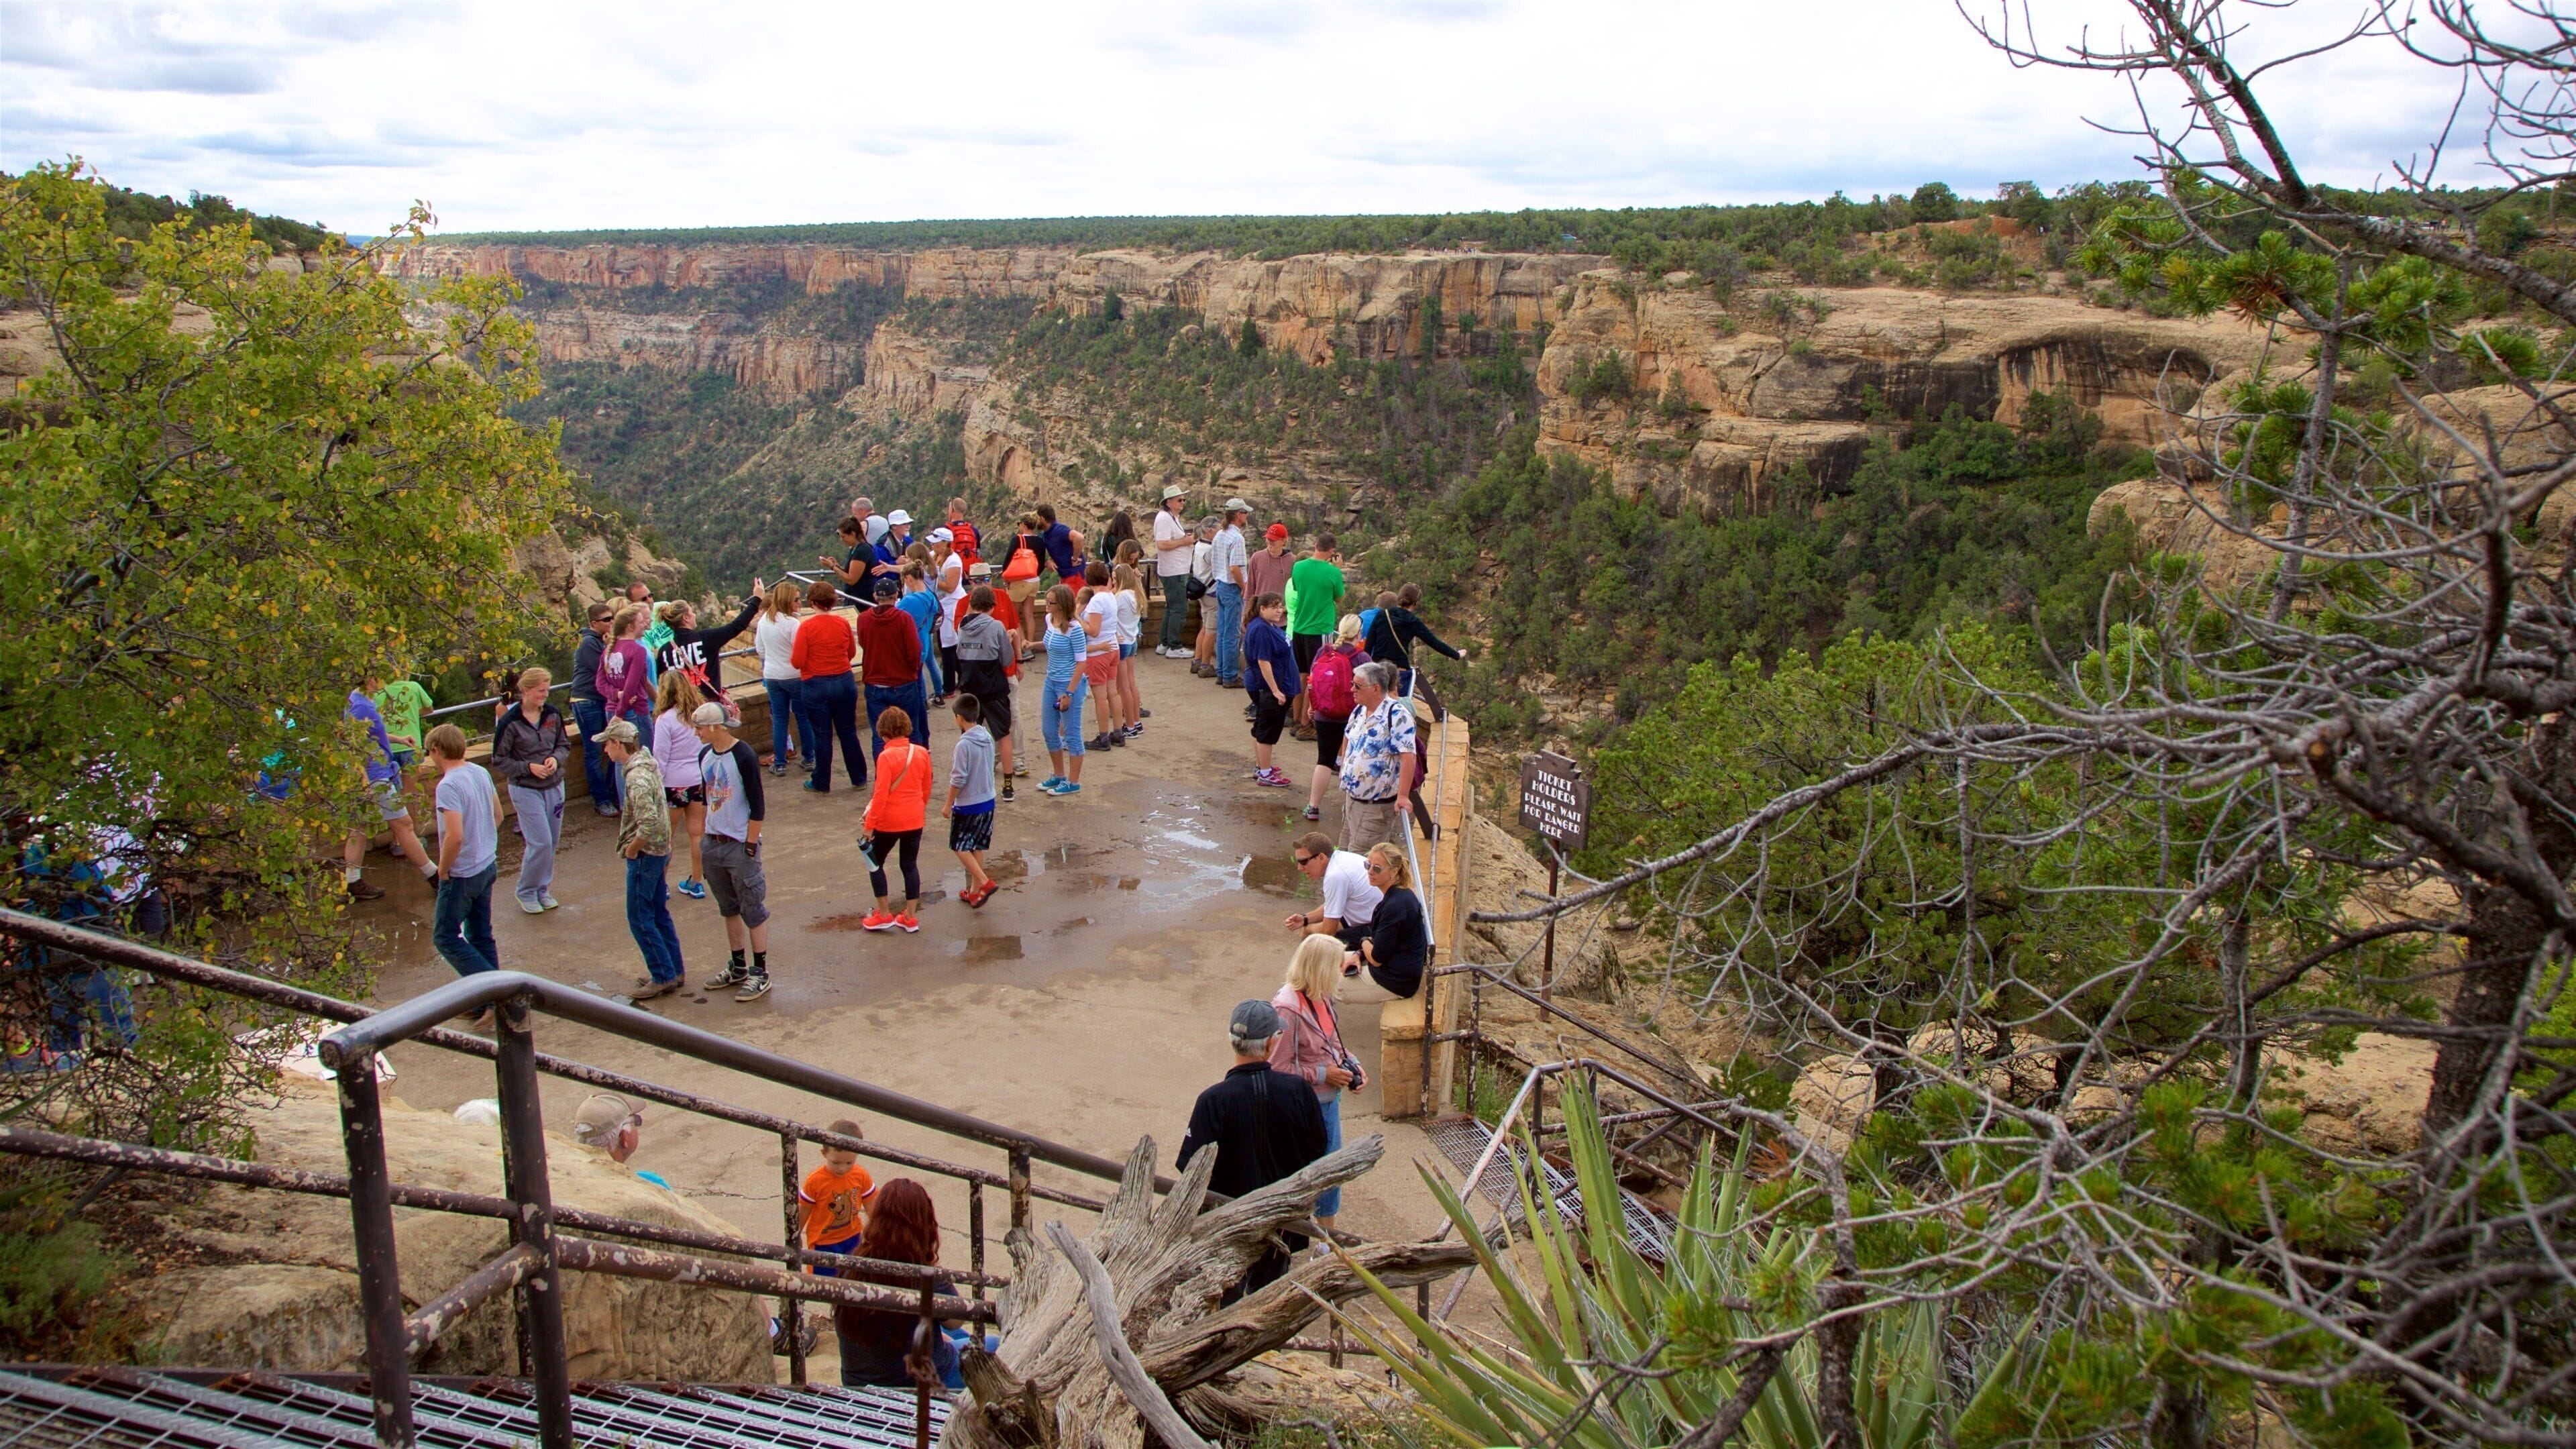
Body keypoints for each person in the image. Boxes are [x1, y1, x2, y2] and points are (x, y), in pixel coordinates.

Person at [1177, 1000, 1330, 1298]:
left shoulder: (1212, 1101)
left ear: (1232, 1041)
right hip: (1283, 1220)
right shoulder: (1297, 1090)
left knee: (1226, 1299)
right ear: (1273, 1042)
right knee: (1268, 1299)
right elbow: (1317, 1149)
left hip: (1228, 1223)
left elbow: (1190, 1168)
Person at [836, 1180, 973, 1390]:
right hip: (916, 1383)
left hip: (858, 1383)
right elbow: (956, 1321)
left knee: (959, 1338)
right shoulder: (924, 1273)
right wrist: (935, 1266)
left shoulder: (853, 1264)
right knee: (993, 1346)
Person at [1270, 934, 1361, 1241]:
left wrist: (1352, 1064)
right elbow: (1277, 1068)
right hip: (1305, 1106)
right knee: (1313, 1173)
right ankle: (1317, 1239)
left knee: (1331, 1171)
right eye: (1337, 964)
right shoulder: (1287, 1009)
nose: (1342, 970)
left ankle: (1326, 1239)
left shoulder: (1322, 996)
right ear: (1322, 968)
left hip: (1327, 1101)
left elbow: (1332, 1042)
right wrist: (1325, 1074)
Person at [692, 702, 772, 1001]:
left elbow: (757, 803)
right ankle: (738, 965)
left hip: (739, 844)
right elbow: (705, 797)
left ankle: (760, 971)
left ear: (715, 727)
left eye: (699, 726)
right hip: (714, 843)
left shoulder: (743, 756)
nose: (696, 732)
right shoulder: (704, 756)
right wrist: (704, 837)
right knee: (729, 908)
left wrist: (750, 845)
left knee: (753, 909)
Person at [601, 718, 686, 1000]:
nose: (605, 751)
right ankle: (673, 969)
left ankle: (662, 975)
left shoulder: (635, 777)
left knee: (640, 916)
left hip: (647, 854)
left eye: (607, 745)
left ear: (617, 744)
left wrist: (633, 849)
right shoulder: (647, 764)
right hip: (662, 850)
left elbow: (647, 821)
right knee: (659, 912)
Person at [426, 723, 502, 987]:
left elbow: (454, 836)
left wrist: (444, 869)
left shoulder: (448, 786)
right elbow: (498, 815)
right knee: (481, 934)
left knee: (445, 938)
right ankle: (496, 998)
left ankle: (492, 992)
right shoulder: (480, 772)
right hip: (487, 863)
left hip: (464, 873)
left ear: (436, 750)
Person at [341, 686, 436, 900]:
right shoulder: (361, 706)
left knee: (359, 828)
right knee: (404, 825)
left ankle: (353, 881)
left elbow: (372, 734)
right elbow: (353, 745)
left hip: (371, 775)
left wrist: (398, 740)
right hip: (375, 777)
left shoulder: (359, 700)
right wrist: (365, 781)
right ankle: (435, 876)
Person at [491, 667, 572, 915]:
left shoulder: (552, 714)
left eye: (547, 689)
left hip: (554, 784)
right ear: (525, 691)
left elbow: (563, 745)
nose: (546, 695)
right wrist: (528, 767)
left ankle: (542, 889)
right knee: (540, 842)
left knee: (553, 841)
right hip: (526, 788)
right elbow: (499, 759)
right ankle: (526, 890)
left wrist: (556, 760)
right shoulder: (510, 722)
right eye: (541, 691)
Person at [859, 706, 932, 932]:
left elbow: (880, 794)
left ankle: (883, 914)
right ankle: (910, 916)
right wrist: (918, 809)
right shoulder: (921, 752)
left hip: (889, 821)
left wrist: (870, 826)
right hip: (914, 818)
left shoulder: (886, 757)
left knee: (875, 863)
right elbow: (926, 787)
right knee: (909, 865)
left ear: (884, 733)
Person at [792, 578, 868, 792]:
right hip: (844, 680)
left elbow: (797, 661)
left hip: (816, 684)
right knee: (848, 732)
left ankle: (821, 781)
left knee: (822, 735)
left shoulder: (806, 627)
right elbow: (851, 653)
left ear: (813, 602)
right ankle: (859, 777)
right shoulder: (842, 623)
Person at [1339, 662, 1419, 855]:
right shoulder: (1360, 710)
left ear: (1375, 688)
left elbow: (1409, 757)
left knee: (1360, 861)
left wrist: (1402, 796)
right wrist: (1344, 767)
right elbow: (1348, 736)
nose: (1352, 690)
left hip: (1374, 808)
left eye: (1357, 686)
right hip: (1351, 801)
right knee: (1343, 854)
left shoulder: (1398, 715)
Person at [651, 586, 764, 717]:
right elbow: (736, 626)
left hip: (681, 712)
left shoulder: (664, 651)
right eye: (692, 612)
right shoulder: (705, 638)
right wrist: (757, 599)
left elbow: (662, 683)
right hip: (709, 709)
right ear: (686, 618)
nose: (694, 615)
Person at [954, 582, 1020, 802]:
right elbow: (1007, 659)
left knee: (969, 736)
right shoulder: (996, 626)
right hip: (993, 688)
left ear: (972, 605)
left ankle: (968, 782)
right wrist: (1008, 641)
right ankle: (1008, 786)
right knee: (1003, 734)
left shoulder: (963, 625)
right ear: (992, 606)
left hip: (969, 687)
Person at [1341, 843, 1427, 1003]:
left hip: (1393, 981)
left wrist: (1363, 941)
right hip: (1395, 968)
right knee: (1321, 957)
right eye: (1368, 865)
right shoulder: (1400, 896)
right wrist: (1359, 953)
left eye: (1377, 868)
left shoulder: (1395, 906)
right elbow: (1383, 942)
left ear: (1394, 872)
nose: (1370, 872)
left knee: (1319, 984)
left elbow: (1376, 958)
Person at [651, 669, 710, 900]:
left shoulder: (665, 720)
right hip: (698, 780)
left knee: (666, 837)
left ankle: (661, 883)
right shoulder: (698, 716)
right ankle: (697, 881)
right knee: (697, 834)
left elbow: (660, 756)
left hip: (673, 783)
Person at [1303, 616, 1369, 824]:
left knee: (1324, 760)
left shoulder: (1323, 652)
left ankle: (1313, 807)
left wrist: (1312, 706)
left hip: (1324, 713)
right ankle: (1348, 811)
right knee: (1349, 761)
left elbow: (1312, 682)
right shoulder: (1363, 658)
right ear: (1359, 634)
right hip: (1351, 716)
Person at [859, 574, 929, 765]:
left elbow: (864, 643)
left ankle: (884, 774)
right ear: (896, 595)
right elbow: (915, 651)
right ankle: (916, 770)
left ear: (875, 596)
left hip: (875, 683)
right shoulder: (903, 619)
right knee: (911, 730)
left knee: (878, 734)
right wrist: (912, 671)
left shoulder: (864, 619)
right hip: (902, 682)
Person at [562, 606, 623, 816]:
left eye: (612, 618)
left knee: (610, 748)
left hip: (600, 701)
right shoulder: (588, 643)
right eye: (606, 619)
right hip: (587, 701)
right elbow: (606, 669)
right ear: (594, 623)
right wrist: (609, 646)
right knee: (594, 751)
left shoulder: (600, 641)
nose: (611, 622)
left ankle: (611, 794)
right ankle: (602, 799)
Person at [800, 1119, 875, 1277]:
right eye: (836, 1162)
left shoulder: (860, 1175)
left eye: (850, 1162)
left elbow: (871, 1205)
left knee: (854, 1279)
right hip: (823, 1243)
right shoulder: (815, 1181)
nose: (842, 1168)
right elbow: (804, 1209)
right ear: (824, 1153)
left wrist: (878, 1231)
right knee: (824, 1286)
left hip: (853, 1238)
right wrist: (795, 1235)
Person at [1287, 535, 1346, 734]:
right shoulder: (1333, 572)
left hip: (1299, 628)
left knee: (1302, 675)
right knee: (1316, 678)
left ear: (1315, 546)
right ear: (1332, 551)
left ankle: (1296, 720)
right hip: (1319, 630)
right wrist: (1337, 569)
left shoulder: (1299, 567)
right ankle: (1306, 725)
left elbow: (1298, 588)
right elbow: (1340, 598)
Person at [1362, 582, 1470, 685]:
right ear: (1416, 603)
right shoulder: (1413, 621)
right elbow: (1434, 642)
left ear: (1399, 598)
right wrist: (1456, 655)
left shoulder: (1382, 615)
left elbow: (1369, 645)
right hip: (1398, 672)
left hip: (1378, 670)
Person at [1286, 831, 1381, 948]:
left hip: (1379, 928)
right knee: (1316, 928)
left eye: (1304, 862)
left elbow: (1328, 931)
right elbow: (1332, 906)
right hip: (1372, 917)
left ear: (1321, 857)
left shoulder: (1335, 876)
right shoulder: (1339, 858)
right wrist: (1305, 919)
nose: (1300, 868)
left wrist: (1308, 928)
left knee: (1318, 944)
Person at [755, 581, 811, 778]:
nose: (799, 602)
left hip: (772, 675)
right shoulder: (793, 624)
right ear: (788, 599)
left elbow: (760, 650)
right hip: (794, 676)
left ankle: (779, 763)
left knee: (780, 720)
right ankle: (809, 758)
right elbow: (800, 651)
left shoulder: (764, 621)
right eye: (796, 599)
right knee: (803, 717)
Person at [947, 694, 998, 908]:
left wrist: (948, 803)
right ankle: (974, 892)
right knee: (976, 846)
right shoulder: (987, 736)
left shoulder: (963, 745)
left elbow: (958, 777)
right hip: (988, 799)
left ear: (959, 718)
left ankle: (984, 883)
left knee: (960, 846)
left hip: (969, 803)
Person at [1244, 592, 1298, 788]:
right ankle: (1265, 773)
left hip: (1277, 686)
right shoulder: (1260, 630)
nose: (1279, 610)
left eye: (1281, 606)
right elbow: (1263, 661)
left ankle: (1262, 766)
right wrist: (1275, 690)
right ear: (1262, 609)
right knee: (1267, 731)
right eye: (1274, 607)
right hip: (1270, 688)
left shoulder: (1267, 626)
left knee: (1261, 727)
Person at [1038, 585, 1087, 797]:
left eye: (1051, 602)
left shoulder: (1075, 629)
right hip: (1052, 680)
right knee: (1049, 730)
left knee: (1072, 733)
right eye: (1047, 600)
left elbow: (1082, 662)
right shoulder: (1050, 621)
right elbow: (1052, 644)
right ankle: (1059, 775)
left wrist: (1069, 692)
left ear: (1062, 605)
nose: (1047, 605)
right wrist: (1033, 644)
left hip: (1068, 683)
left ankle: (1073, 781)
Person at [1079, 561, 1125, 751]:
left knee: (1100, 698)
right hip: (1113, 649)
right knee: (1112, 692)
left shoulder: (1097, 601)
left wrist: (1077, 617)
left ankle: (1104, 736)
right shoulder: (1110, 596)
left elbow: (1093, 630)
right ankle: (1118, 732)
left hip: (1098, 653)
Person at [599, 604, 657, 742]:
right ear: (630, 627)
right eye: (641, 622)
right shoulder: (637, 650)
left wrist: (616, 695)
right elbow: (632, 685)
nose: (645, 625)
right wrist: (620, 714)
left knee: (621, 757)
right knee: (643, 755)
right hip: (634, 711)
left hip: (612, 708)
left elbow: (600, 683)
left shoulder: (608, 650)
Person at [1151, 484, 1195, 656]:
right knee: (1180, 608)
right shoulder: (1164, 519)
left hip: (1176, 569)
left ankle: (1164, 642)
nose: (1182, 502)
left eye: (1183, 499)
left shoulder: (1171, 517)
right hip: (1174, 571)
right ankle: (1174, 647)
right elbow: (1161, 544)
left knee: (1171, 607)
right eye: (1179, 500)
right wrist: (1184, 542)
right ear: (1169, 502)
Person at [1210, 501, 1250, 687]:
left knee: (1222, 632)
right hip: (1232, 587)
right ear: (1239, 514)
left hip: (1220, 585)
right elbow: (1235, 568)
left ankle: (1221, 671)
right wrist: (1244, 587)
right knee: (1232, 634)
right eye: (1245, 513)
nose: (1247, 517)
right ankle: (1230, 675)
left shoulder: (1220, 534)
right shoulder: (1237, 539)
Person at [897, 563, 947, 706]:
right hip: (926, 637)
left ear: (908, 578)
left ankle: (923, 701)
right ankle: (939, 693)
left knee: (918, 678)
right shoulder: (931, 596)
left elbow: (894, 614)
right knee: (931, 663)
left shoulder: (910, 600)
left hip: (915, 645)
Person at [1110, 561, 1147, 741]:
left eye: (1115, 579)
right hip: (1132, 641)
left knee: (1122, 687)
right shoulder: (1136, 594)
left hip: (1122, 643)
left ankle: (1130, 726)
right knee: (1131, 684)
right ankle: (1136, 722)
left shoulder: (1120, 597)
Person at [1002, 513, 1048, 652]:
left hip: (1019, 582)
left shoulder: (1017, 540)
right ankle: (1031, 645)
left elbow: (1008, 561)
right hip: (1034, 581)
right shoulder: (1040, 541)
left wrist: (1007, 579)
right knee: (1029, 615)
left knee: (1013, 617)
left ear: (1023, 525)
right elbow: (1041, 563)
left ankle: (1024, 646)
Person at [1246, 523, 1296, 641]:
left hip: (1283, 620)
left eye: (1273, 540)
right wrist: (1246, 616)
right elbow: (1250, 589)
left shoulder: (1293, 561)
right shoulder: (1257, 558)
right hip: (1260, 618)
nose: (1269, 542)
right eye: (1268, 539)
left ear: (1283, 541)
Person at [820, 517, 876, 603]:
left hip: (861, 599)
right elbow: (850, 572)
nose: (842, 540)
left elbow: (852, 579)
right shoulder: (854, 549)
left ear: (852, 534)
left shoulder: (861, 551)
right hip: (853, 597)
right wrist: (837, 567)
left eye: (844, 537)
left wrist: (832, 567)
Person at [1191, 517, 1220, 676]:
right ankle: (1206, 665)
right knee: (1211, 630)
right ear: (1210, 531)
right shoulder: (1210, 550)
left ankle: (1197, 660)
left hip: (1203, 591)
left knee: (1205, 627)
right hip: (1212, 593)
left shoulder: (1198, 546)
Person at [1035, 502, 1078, 586]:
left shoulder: (1058, 529)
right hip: (1066, 577)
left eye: (1037, 518)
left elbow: (1079, 537)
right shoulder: (1046, 534)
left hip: (1075, 576)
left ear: (1042, 518)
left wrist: (1075, 558)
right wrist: (1049, 560)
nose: (1035, 522)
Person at [943, 497, 981, 565]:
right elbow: (978, 552)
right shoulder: (973, 530)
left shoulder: (945, 530)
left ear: (952, 510)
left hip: (952, 570)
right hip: (971, 571)